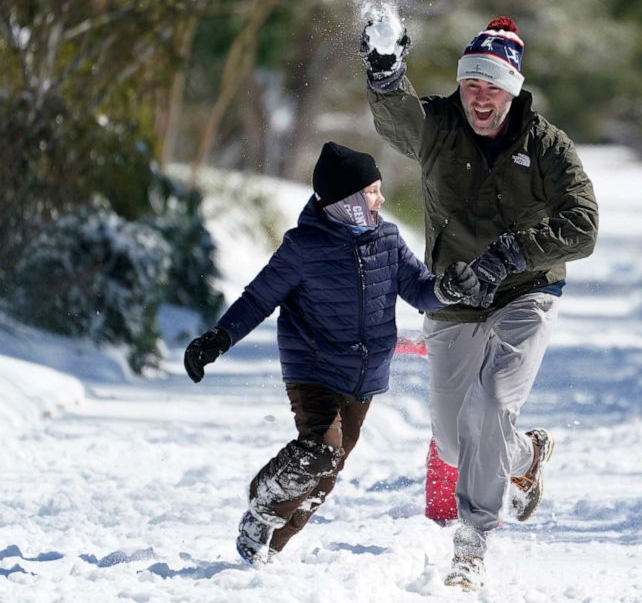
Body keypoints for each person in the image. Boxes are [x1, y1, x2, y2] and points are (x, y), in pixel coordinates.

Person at [360, 15, 598, 589]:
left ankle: (472, 541)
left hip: (526, 290)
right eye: (471, 84)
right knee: (451, 438)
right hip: (455, 293)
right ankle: (524, 457)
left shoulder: (546, 146)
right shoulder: (439, 125)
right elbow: (399, 122)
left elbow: (584, 226)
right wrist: (386, 73)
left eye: (492, 85)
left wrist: (512, 254)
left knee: (490, 405)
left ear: (512, 88)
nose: (479, 97)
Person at [182, 141, 480, 565]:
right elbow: (257, 299)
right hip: (314, 369)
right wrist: (217, 339)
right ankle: (261, 509)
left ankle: (267, 550)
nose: (380, 198)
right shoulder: (303, 247)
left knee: (327, 473)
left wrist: (447, 289)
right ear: (347, 198)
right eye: (372, 191)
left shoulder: (388, 240)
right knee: (320, 450)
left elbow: (419, 289)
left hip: (366, 376)